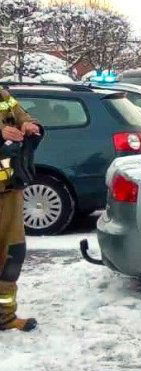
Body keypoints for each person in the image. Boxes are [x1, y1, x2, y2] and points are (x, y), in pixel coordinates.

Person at [0, 88, 42, 331]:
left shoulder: (4, 97)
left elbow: (23, 115)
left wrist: (29, 125)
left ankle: (5, 316)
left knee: (13, 254)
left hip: (9, 191)